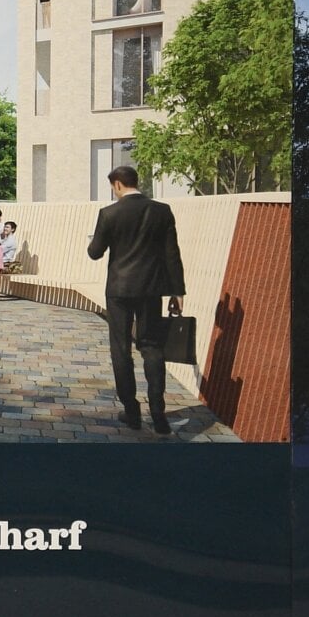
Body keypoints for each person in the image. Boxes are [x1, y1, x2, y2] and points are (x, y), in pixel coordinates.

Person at [87, 166, 186, 436]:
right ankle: (159, 414)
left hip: (119, 290)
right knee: (152, 347)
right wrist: (178, 292)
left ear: (118, 184)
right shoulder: (161, 211)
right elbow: (172, 254)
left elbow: (95, 252)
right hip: (151, 289)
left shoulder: (109, 213)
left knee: (121, 349)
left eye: (112, 187)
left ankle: (131, 412)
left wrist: (93, 241)